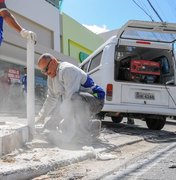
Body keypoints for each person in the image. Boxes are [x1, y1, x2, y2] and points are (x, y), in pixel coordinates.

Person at [36, 53, 105, 145]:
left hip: (96, 100)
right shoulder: (51, 77)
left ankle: (83, 138)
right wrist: (42, 116)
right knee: (60, 125)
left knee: (74, 100)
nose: (46, 73)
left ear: (53, 62)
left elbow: (71, 101)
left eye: (46, 69)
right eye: (43, 71)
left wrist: (58, 122)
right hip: (77, 100)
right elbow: (51, 98)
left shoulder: (67, 70)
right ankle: (92, 126)